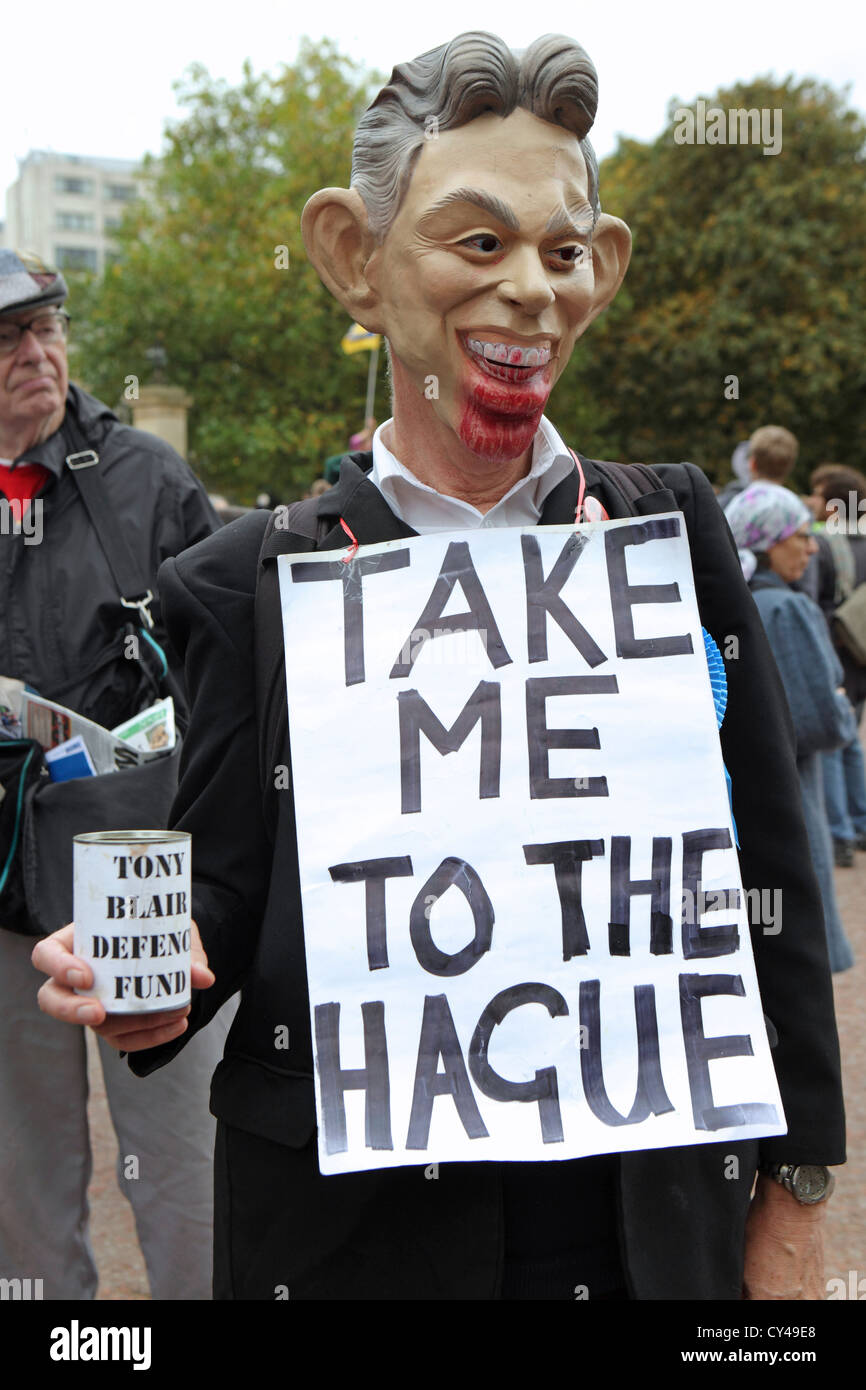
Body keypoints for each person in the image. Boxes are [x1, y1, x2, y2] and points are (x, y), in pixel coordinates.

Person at [33, 34, 844, 1301]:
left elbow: (765, 883)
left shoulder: (668, 535)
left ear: (602, 268)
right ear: (356, 262)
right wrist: (158, 976)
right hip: (356, 1242)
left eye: (561, 251)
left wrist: (793, 1200)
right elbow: (232, 903)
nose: (528, 287)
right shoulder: (248, 582)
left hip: (638, 1227)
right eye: (478, 242)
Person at [0, 249, 234, 1300]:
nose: (34, 354)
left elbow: (231, 675)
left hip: (144, 874)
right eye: (4, 339)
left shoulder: (146, 474)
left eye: (44, 327)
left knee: (183, 1159)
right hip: (5, 891)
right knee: (20, 1181)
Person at [724, 481, 855, 972]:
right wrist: (840, 704)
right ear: (772, 540)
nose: (812, 545)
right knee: (801, 957)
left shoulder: (731, 600)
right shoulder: (788, 609)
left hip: (744, 802)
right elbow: (821, 722)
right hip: (793, 798)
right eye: (801, 533)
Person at [805, 466, 866, 864]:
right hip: (862, 652)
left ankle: (840, 835)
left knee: (830, 742)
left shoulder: (824, 544)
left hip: (836, 651)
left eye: (819, 495)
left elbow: (816, 602)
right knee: (851, 738)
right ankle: (860, 823)